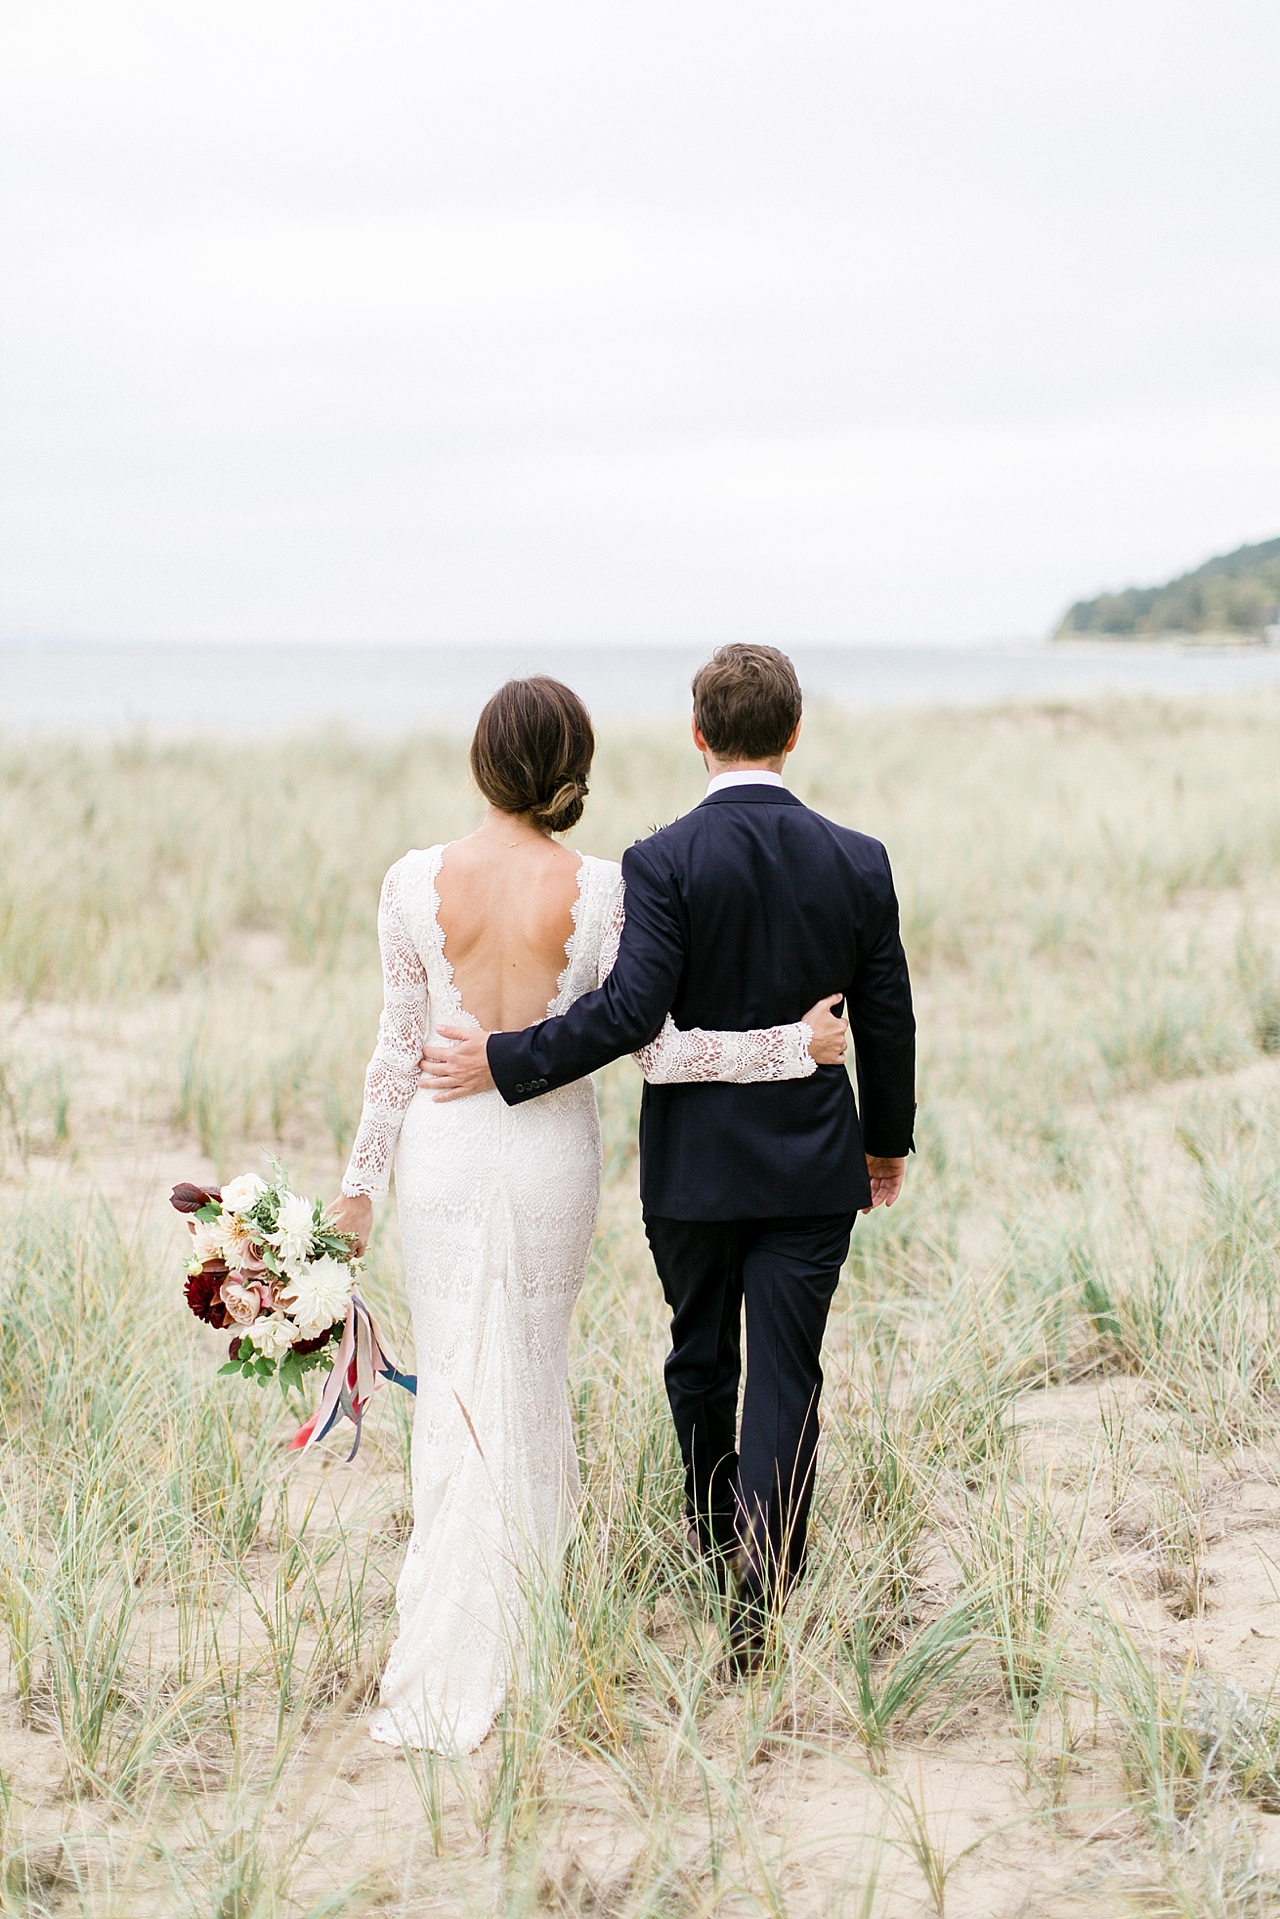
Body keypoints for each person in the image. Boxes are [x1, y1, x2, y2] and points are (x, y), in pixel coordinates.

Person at [328, 674, 848, 1751]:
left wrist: (359, 1183)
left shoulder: (410, 881)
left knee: (460, 1379)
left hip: (440, 1149)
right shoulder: (605, 887)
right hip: (550, 1151)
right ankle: (532, 1615)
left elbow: (396, 1048)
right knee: (527, 1367)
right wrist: (794, 1047)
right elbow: (653, 1049)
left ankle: (468, 1614)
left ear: (481, 760)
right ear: (573, 768)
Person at [419, 644, 916, 1665]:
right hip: (813, 1166)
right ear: (791, 732)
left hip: (690, 1170)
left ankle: (705, 1535)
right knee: (785, 1370)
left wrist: (503, 1057)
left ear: (696, 734)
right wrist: (883, 1143)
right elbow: (887, 1018)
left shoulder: (661, 860)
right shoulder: (856, 858)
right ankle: (757, 1593)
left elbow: (627, 1015)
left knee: (699, 1355)